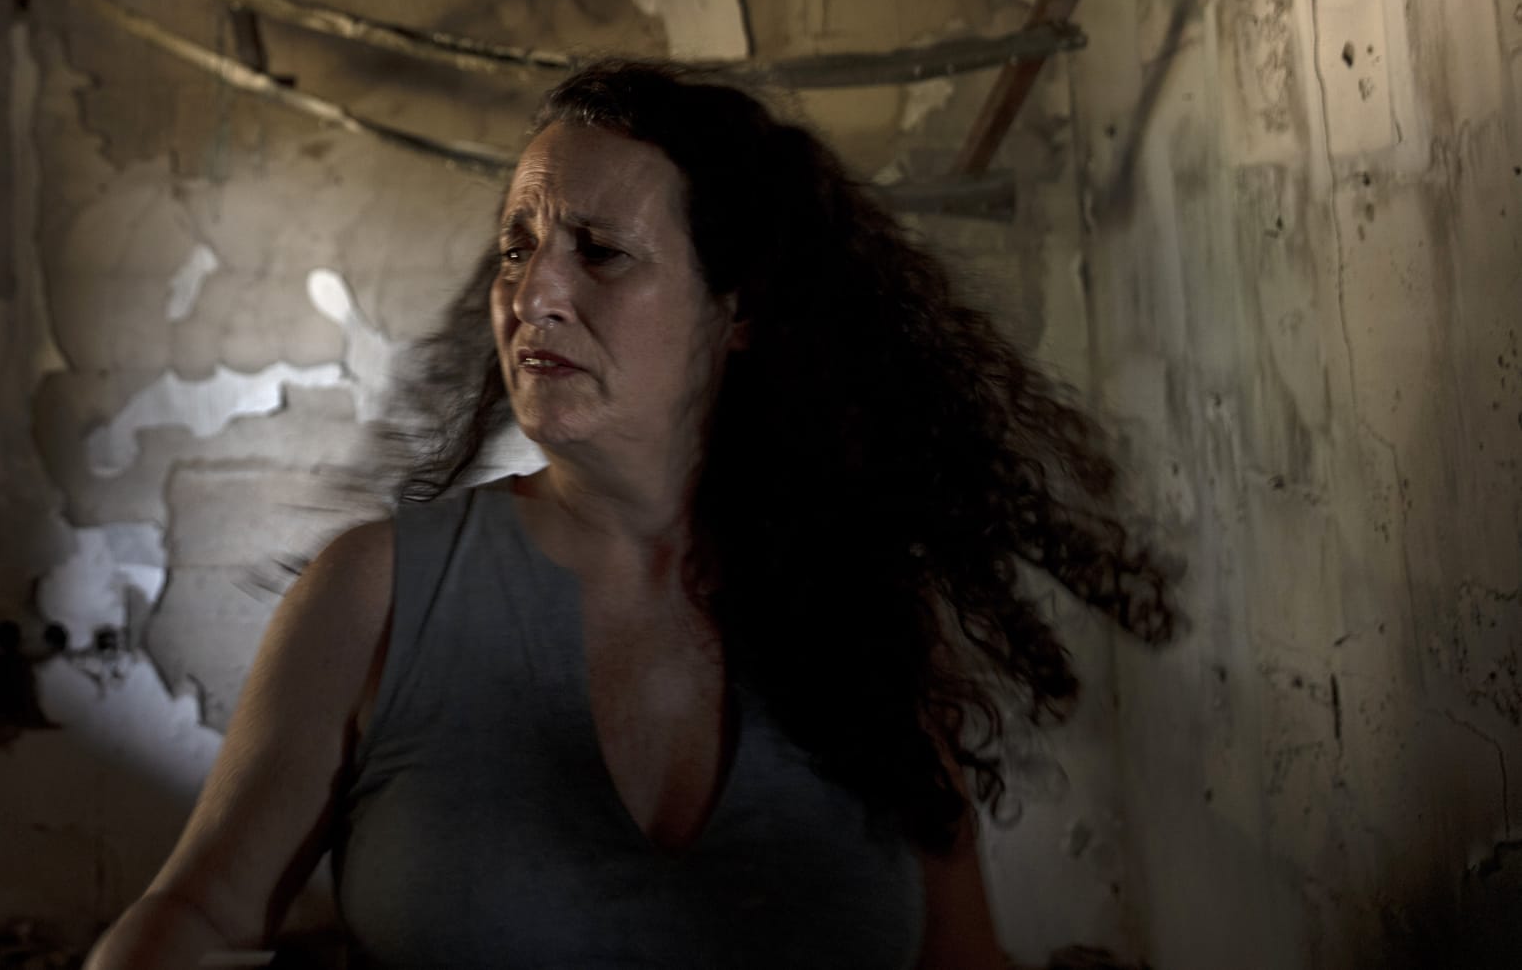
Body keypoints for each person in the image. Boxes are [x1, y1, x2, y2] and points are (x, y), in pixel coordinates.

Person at [88, 63, 1178, 969]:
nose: (533, 293)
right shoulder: (377, 589)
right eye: (518, 245)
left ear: (735, 305)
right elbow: (194, 915)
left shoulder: (865, 607)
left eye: (598, 250)